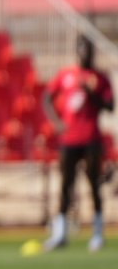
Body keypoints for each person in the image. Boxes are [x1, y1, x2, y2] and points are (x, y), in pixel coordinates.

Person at [42, 35, 113, 251]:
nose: (86, 54)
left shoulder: (100, 78)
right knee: (66, 185)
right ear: (77, 51)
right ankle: (60, 233)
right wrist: (56, 122)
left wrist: (92, 93)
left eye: (89, 50)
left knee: (93, 183)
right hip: (69, 139)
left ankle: (97, 233)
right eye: (82, 49)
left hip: (91, 137)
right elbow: (47, 97)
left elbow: (110, 106)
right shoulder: (66, 75)